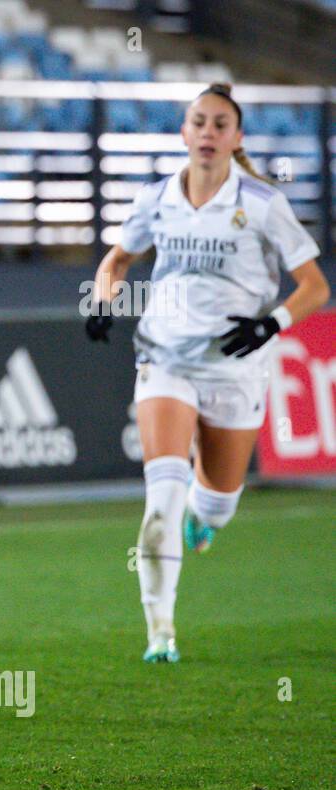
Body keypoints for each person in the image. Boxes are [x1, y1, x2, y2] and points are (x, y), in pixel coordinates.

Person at [86, 83, 329, 662]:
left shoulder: (264, 204)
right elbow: (119, 257)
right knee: (160, 501)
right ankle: (160, 633)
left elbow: (316, 287)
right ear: (184, 132)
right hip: (165, 357)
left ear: (237, 138)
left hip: (235, 367)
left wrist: (270, 324)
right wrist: (101, 299)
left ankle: (208, 512)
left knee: (217, 498)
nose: (209, 133)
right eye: (200, 122)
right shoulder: (157, 199)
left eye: (221, 124)